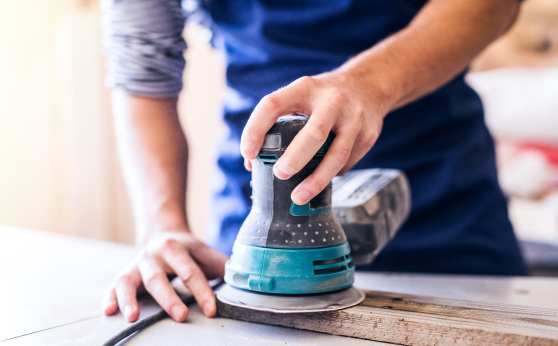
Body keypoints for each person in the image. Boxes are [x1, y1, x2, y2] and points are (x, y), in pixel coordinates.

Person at [101, 0, 527, 324]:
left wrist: (369, 85)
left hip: (442, 201)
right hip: (253, 209)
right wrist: (163, 225)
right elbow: (142, 66)